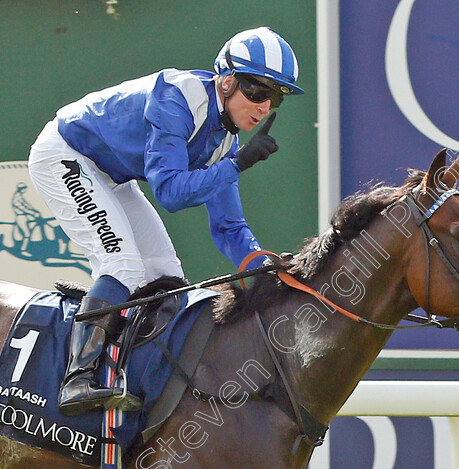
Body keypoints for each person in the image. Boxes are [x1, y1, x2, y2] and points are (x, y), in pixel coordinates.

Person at [27, 26, 303, 416]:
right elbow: (170, 193)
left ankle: (131, 372)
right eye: (257, 91)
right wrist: (238, 164)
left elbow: (229, 228)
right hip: (66, 153)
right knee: (122, 264)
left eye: (276, 97)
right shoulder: (178, 98)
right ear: (226, 81)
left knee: (166, 279)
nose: (263, 107)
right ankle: (78, 379)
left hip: (109, 172)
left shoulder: (226, 142)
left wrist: (265, 265)